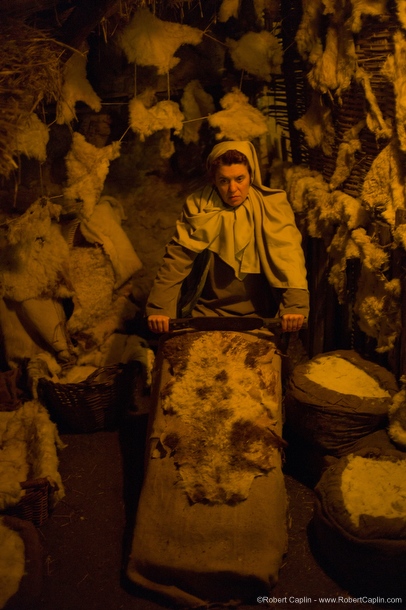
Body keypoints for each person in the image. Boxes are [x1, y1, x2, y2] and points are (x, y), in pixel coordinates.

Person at [146, 140, 309, 334]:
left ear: (251, 175)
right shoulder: (198, 207)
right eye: (224, 181)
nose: (233, 189)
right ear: (214, 180)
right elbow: (176, 260)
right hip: (204, 315)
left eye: (239, 179)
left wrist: (294, 307)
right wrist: (159, 308)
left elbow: (289, 257)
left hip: (259, 319)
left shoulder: (272, 207)